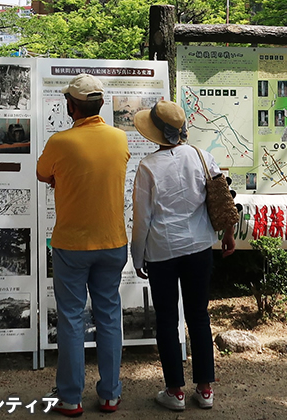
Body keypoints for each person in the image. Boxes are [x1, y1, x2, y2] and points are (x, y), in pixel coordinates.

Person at [130, 100, 236, 412]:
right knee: (198, 315)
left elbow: (142, 219)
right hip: (200, 247)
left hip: (162, 251)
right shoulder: (204, 156)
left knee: (166, 319)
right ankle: (205, 389)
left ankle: (175, 391)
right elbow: (223, 200)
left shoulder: (148, 166)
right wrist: (227, 235)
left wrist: (137, 258)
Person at [36, 74, 130, 417]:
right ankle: (109, 394)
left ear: (71, 106)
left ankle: (71, 397)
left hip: (72, 244)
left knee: (72, 319)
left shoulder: (60, 142)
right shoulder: (120, 139)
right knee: (108, 317)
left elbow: (43, 174)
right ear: (102, 104)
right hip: (113, 242)